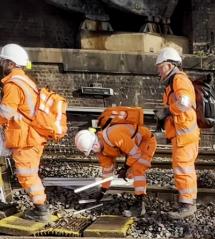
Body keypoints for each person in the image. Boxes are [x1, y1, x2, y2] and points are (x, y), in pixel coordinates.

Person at [0, 44, 50, 222]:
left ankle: (41, 210)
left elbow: (5, 112)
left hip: (24, 138)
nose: (1, 64)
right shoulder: (26, 81)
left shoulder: (13, 85)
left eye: (3, 61)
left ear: (10, 63)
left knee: (27, 175)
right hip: (30, 136)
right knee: (29, 174)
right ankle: (40, 208)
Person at [74, 122, 157, 217]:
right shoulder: (101, 152)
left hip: (145, 141)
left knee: (137, 170)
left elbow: (136, 153)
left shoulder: (113, 136)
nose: (93, 153)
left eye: (91, 151)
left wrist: (125, 167)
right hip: (132, 146)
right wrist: (102, 190)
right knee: (130, 174)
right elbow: (107, 170)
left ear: (95, 145)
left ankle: (140, 206)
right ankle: (139, 197)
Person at [155, 47, 200, 219]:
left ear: (168, 65)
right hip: (182, 135)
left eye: (160, 66)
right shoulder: (172, 84)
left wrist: (167, 111)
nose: (158, 70)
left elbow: (185, 103)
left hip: (185, 136)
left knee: (183, 169)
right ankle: (189, 202)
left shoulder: (179, 80)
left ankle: (187, 205)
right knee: (185, 169)